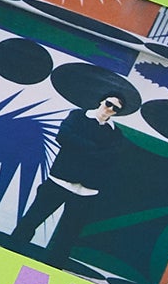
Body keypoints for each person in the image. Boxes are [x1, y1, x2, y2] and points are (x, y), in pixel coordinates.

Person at [13, 94, 127, 258]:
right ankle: (10, 252)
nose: (110, 109)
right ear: (101, 101)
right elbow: (63, 136)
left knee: (68, 235)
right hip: (60, 180)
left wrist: (80, 148)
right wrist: (93, 149)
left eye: (115, 108)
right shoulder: (78, 116)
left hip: (86, 191)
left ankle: (54, 267)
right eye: (109, 103)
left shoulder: (116, 134)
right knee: (31, 220)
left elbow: (110, 157)